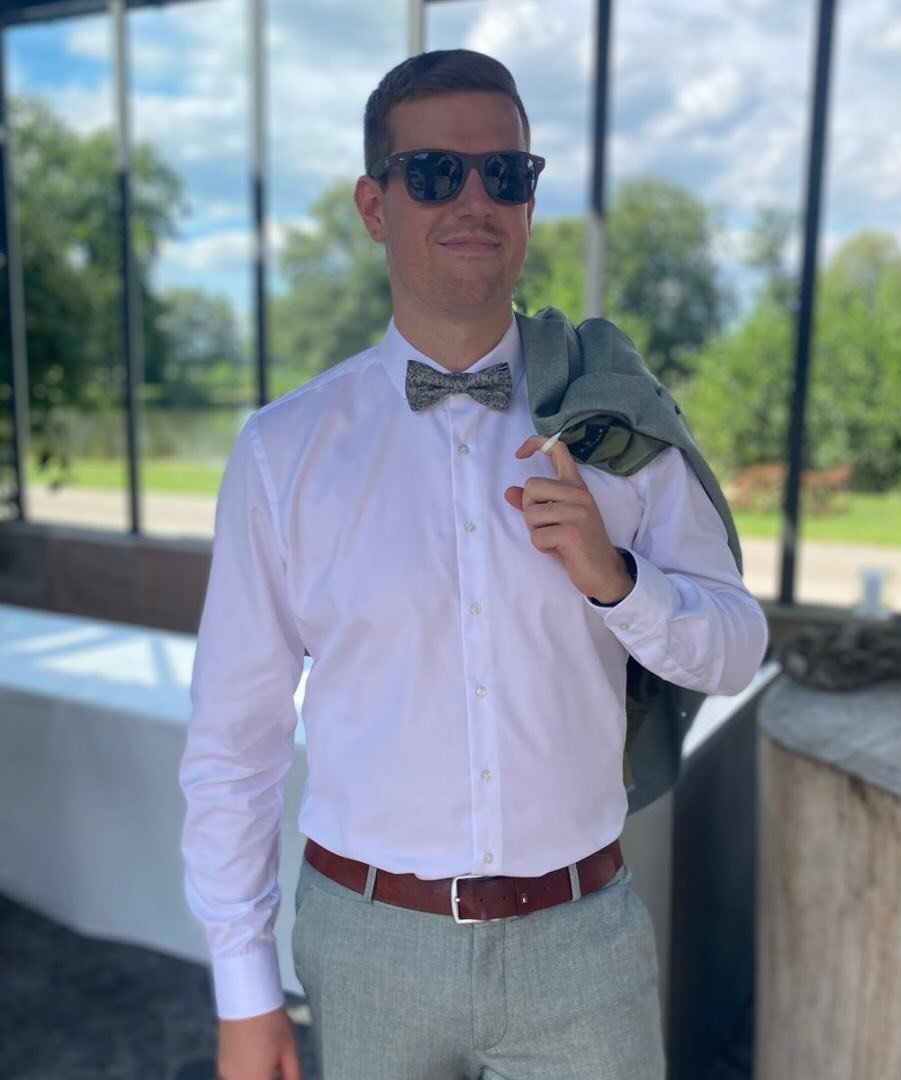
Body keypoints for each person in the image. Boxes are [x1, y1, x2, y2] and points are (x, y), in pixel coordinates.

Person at [179, 48, 768, 1080]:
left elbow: (736, 650)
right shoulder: (283, 453)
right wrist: (243, 987)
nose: (474, 200)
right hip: (367, 947)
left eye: (504, 174)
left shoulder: (614, 424)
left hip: (582, 946)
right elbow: (236, 738)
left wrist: (618, 581)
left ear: (529, 201)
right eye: (434, 173)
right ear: (375, 206)